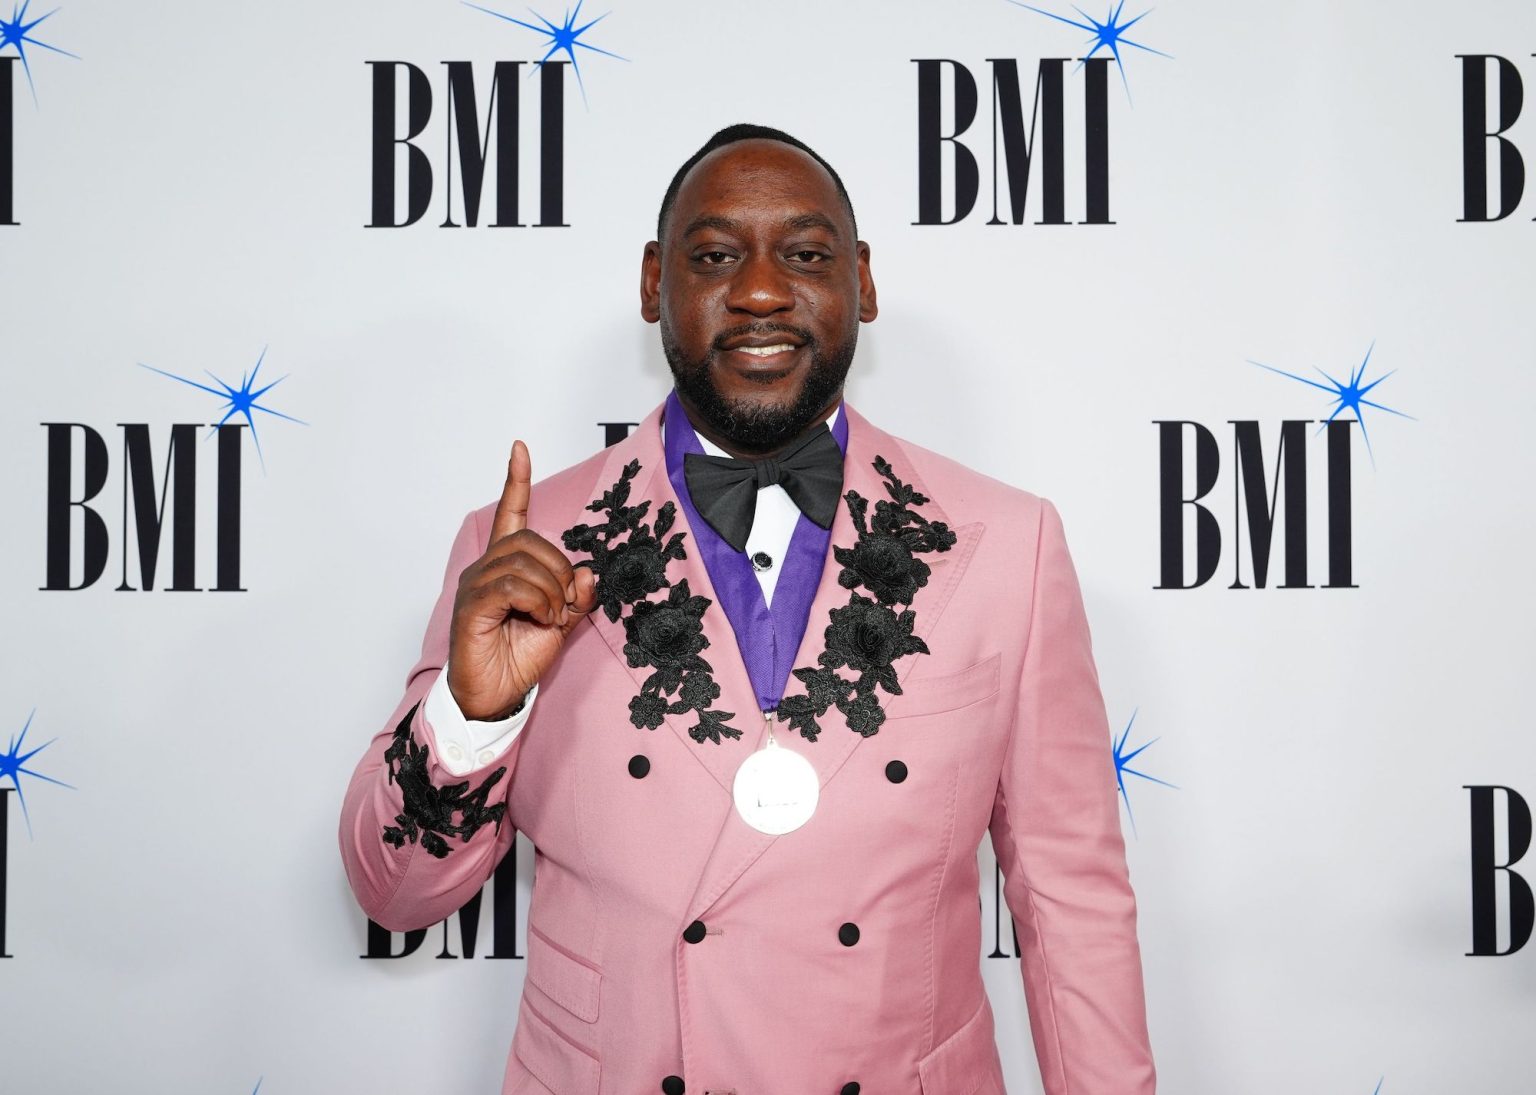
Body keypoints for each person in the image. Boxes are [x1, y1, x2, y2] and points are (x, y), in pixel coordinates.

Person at [338, 123, 1156, 1095]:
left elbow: (1072, 903)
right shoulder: (527, 549)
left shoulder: (1006, 546)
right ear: (654, 285)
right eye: (716, 255)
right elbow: (394, 895)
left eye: (805, 255)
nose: (762, 290)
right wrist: (473, 718)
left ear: (863, 282)